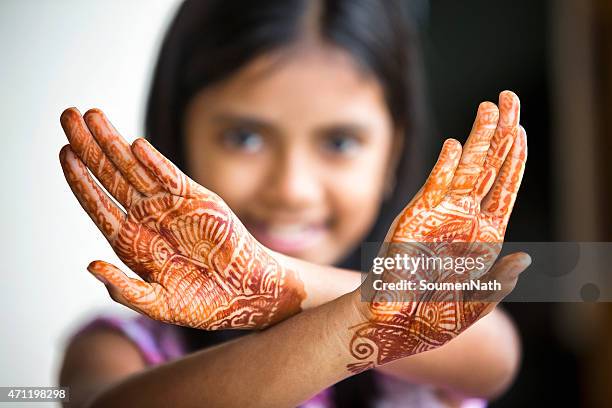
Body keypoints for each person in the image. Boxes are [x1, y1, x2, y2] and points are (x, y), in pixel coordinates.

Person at [58, 0, 530, 407]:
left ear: (393, 152)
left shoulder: (435, 342)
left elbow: (492, 351)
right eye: (244, 137)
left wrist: (278, 285)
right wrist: (345, 310)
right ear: (179, 138)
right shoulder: (116, 349)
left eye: (340, 142)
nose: (291, 188)